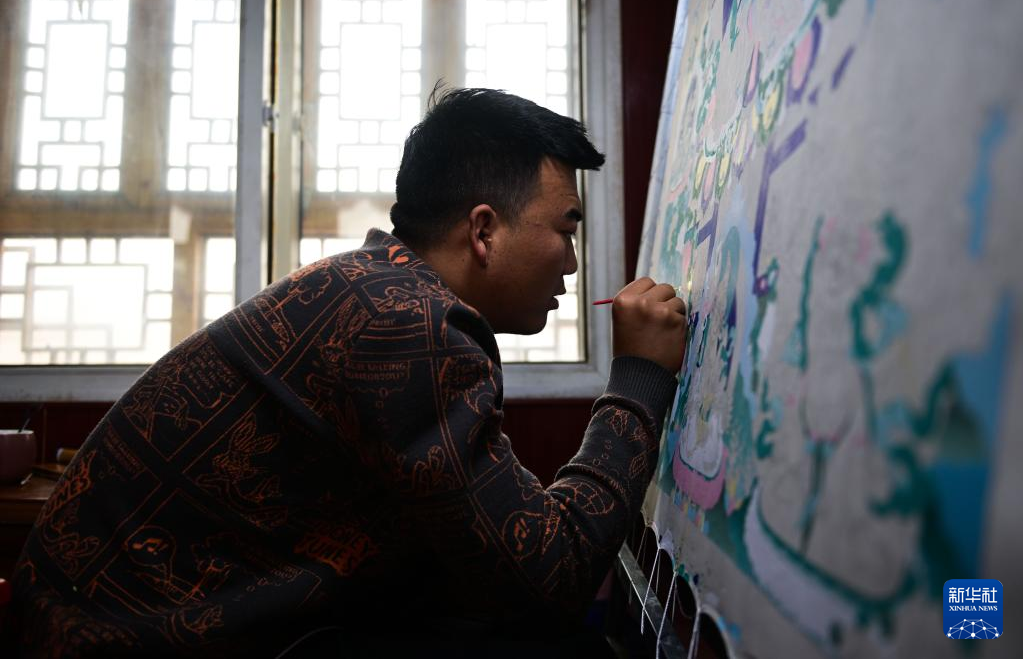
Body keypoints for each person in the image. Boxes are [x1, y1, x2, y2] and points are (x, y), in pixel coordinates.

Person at [8, 88, 688, 657]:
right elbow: (553, 576)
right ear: (483, 231)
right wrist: (637, 378)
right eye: (565, 229)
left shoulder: (376, 291)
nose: (572, 262)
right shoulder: (408, 324)